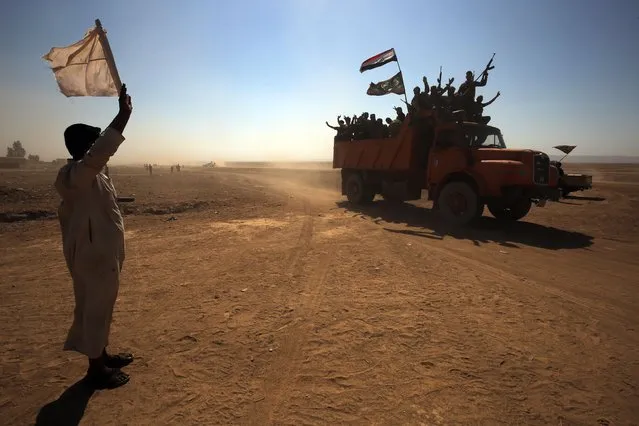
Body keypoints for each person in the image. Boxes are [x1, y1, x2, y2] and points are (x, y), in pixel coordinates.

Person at [54, 84, 134, 390]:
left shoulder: (93, 175)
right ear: (86, 148)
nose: (100, 151)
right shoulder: (75, 174)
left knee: (102, 306)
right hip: (93, 257)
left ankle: (101, 355)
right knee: (95, 308)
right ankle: (96, 370)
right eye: (94, 144)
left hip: (103, 255)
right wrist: (123, 114)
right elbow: (102, 151)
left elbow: (97, 200)